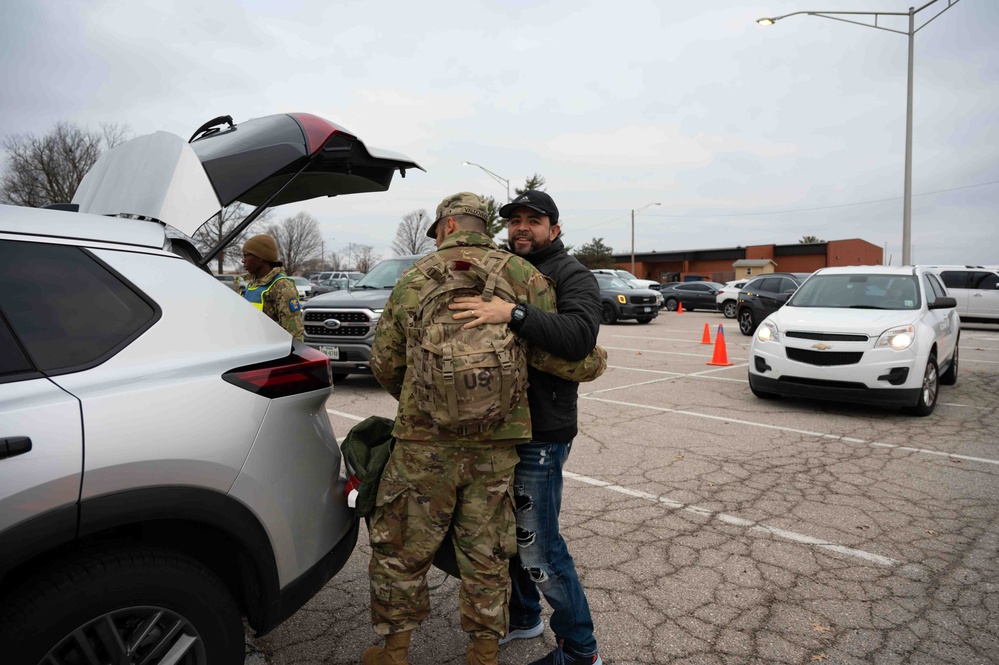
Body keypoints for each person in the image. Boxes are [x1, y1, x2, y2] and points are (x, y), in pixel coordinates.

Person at [365, 192, 605, 665]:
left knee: (402, 547)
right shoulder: (523, 274)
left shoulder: (411, 277)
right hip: (497, 446)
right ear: (483, 226)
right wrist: (595, 363)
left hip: (423, 444)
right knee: (488, 552)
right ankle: (483, 651)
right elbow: (548, 355)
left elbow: (386, 361)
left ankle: (394, 651)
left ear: (447, 227)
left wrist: (422, 402)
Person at [449, 190, 603, 665]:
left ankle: (581, 651)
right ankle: (523, 616)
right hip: (499, 428)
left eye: (533, 220)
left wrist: (512, 313)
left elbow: (580, 338)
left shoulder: (570, 274)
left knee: (538, 546)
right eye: (514, 220)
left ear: (554, 229)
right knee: (506, 534)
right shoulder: (501, 269)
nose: (521, 228)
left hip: (542, 431)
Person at [241, 233, 304, 341]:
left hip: (271, 353)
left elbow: (294, 332)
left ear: (260, 257)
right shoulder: (251, 285)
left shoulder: (282, 287)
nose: (243, 260)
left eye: (246, 255)